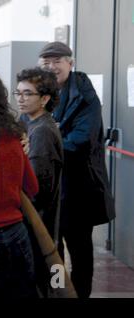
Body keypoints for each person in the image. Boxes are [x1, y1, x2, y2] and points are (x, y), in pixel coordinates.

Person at [38, 41, 115, 298]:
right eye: (46, 63)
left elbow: (82, 141)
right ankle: (59, 293)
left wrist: (47, 141)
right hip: (50, 188)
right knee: (53, 250)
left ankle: (81, 294)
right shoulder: (38, 93)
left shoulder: (85, 95)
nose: (52, 67)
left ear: (70, 63)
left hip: (80, 188)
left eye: (57, 61)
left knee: (80, 249)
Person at [15, 67, 64, 296]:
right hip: (37, 223)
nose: (20, 99)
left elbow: (37, 190)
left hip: (39, 224)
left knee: (42, 284)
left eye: (27, 93)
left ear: (44, 99)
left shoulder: (42, 131)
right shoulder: (31, 123)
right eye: (18, 93)